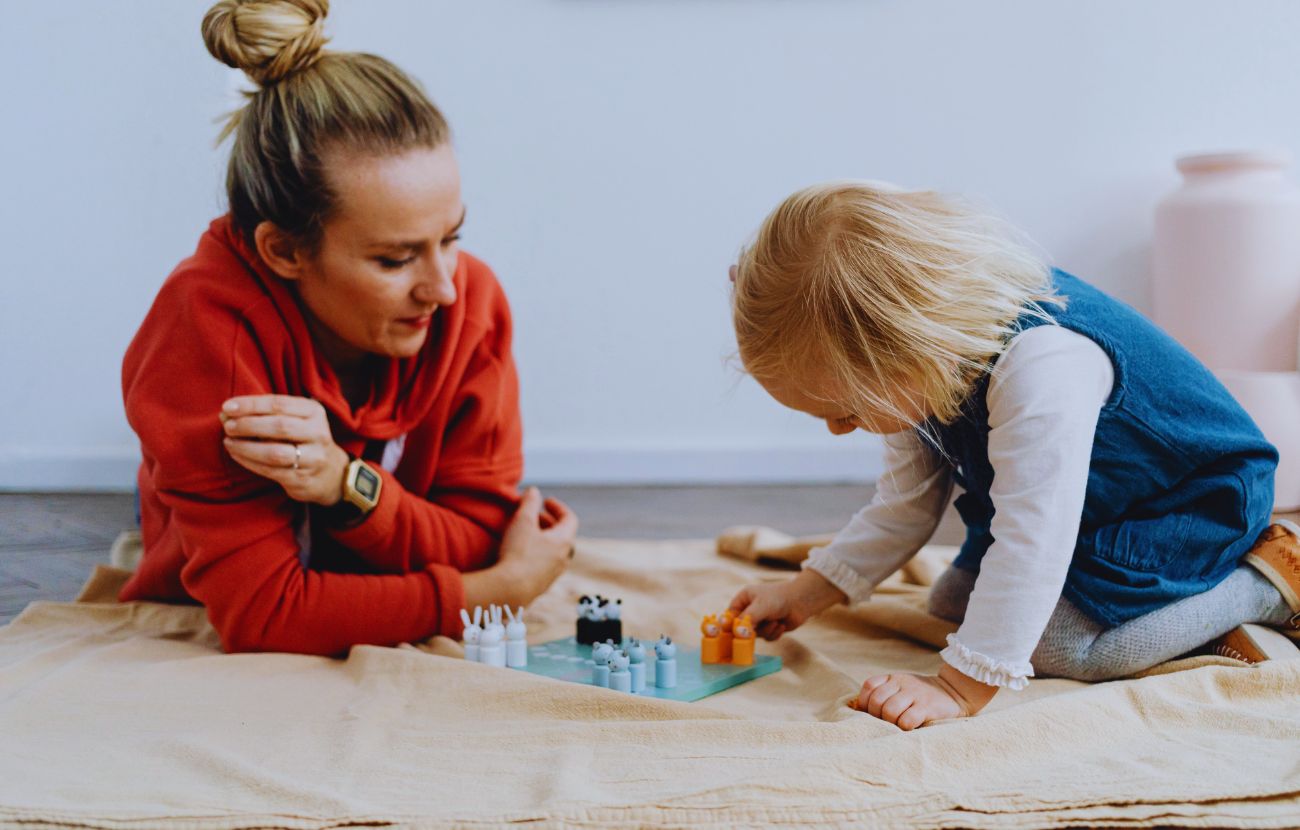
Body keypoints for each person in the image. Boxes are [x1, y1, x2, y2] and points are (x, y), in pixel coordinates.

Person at [726, 181, 1300, 729]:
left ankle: (1266, 582)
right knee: (953, 601)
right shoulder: (922, 363)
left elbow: (1033, 537)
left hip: (1183, 501)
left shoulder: (1042, 366)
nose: (836, 429)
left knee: (1064, 648)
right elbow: (902, 508)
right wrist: (806, 592)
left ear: (911, 349)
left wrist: (961, 686)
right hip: (1089, 502)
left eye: (847, 411)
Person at [120, 0, 576, 656]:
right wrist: (496, 592)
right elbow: (266, 615)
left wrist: (347, 485)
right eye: (394, 259)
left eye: (451, 237)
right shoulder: (202, 335)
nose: (443, 287)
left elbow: (478, 532)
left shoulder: (470, 302)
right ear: (283, 252)